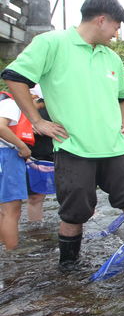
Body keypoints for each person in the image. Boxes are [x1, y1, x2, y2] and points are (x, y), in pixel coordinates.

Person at [2, 0, 124, 268]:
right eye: (116, 28)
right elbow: (14, 78)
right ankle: (69, 270)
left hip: (114, 148)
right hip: (73, 147)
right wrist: (38, 122)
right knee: (73, 214)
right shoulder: (53, 43)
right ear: (101, 20)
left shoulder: (111, 58)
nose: (116, 35)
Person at [0, 90, 32, 249]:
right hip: (8, 155)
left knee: (3, 209)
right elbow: (1, 127)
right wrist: (23, 147)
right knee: (11, 211)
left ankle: (3, 245)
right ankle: (12, 254)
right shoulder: (10, 103)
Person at [25, 85, 54, 223]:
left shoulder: (56, 99)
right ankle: (37, 229)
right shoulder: (15, 104)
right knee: (36, 196)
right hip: (33, 155)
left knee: (73, 191)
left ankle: (90, 218)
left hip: (60, 152)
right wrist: (27, 125)